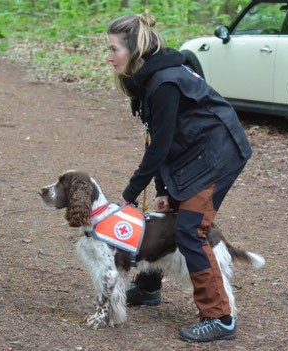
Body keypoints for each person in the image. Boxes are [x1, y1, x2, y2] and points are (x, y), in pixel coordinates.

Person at [106, 10, 253, 342]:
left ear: (133, 48)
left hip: (219, 154)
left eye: (113, 49)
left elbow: (159, 146)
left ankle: (220, 317)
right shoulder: (147, 80)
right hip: (193, 155)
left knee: (190, 228)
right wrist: (165, 190)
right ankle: (148, 286)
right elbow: (160, 139)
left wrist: (130, 193)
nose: (109, 56)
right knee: (167, 214)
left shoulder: (165, 82)